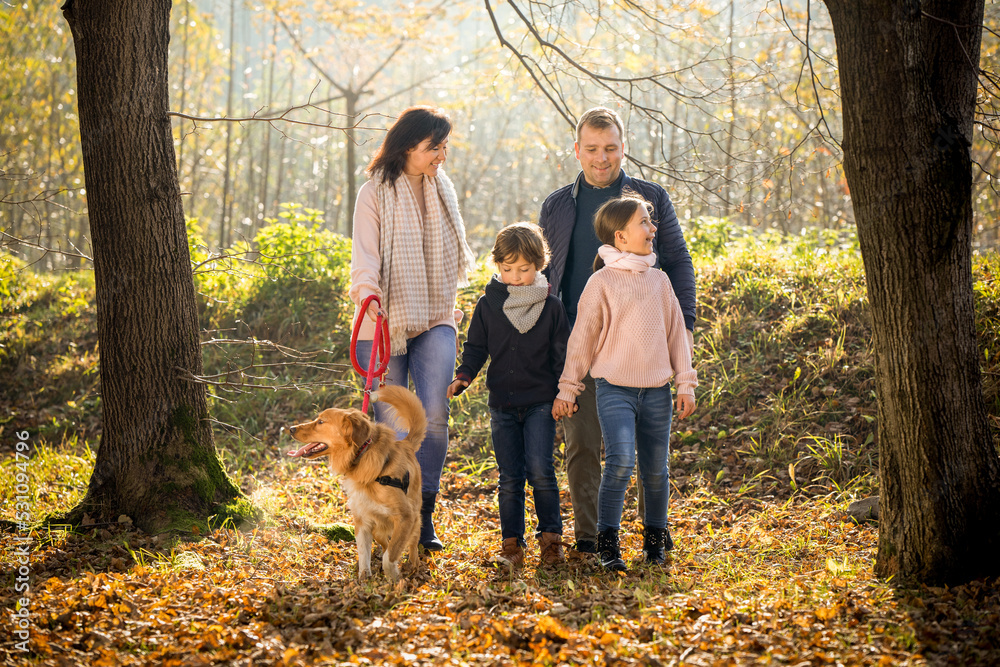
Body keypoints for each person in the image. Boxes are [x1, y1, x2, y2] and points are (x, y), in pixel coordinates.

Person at [538, 106, 696, 555]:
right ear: (577, 151)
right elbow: (546, 271)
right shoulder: (557, 204)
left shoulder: (650, 197)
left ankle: (653, 535)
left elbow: (678, 260)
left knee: (649, 453)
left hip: (640, 343)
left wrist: (682, 326)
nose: (601, 158)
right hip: (577, 341)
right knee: (582, 445)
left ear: (622, 147)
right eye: (591, 149)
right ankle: (590, 539)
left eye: (610, 148)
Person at [350, 106, 477, 551]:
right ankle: (386, 516)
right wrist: (371, 297)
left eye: (444, 146)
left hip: (436, 315)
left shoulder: (443, 189)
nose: (442, 155)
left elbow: (447, 258)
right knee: (389, 430)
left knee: (434, 420)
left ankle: (422, 517)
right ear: (408, 146)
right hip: (382, 324)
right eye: (433, 147)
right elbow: (365, 258)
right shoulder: (373, 193)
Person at [447, 222, 570, 568]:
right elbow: (476, 348)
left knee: (541, 470)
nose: (516, 277)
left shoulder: (551, 307)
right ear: (498, 267)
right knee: (509, 476)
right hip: (502, 403)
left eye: (524, 270)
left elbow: (562, 356)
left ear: (539, 265)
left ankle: (551, 541)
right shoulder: (488, 305)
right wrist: (464, 376)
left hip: (541, 403)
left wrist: (566, 393)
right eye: (508, 269)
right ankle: (512, 545)